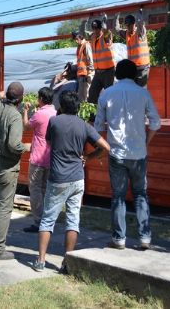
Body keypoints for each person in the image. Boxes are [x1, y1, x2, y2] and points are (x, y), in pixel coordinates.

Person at [29, 91, 110, 273]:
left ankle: (41, 261)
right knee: (73, 220)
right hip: (77, 179)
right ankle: (67, 262)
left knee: (48, 219)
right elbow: (106, 147)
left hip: (58, 178)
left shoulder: (55, 122)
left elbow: (49, 142)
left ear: (62, 106)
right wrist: (88, 157)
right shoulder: (84, 125)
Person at [94, 59, 161, 250]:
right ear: (134, 75)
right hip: (139, 153)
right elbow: (156, 123)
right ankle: (145, 238)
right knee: (140, 194)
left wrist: (103, 147)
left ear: (116, 74)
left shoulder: (106, 94)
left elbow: (98, 126)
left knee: (118, 196)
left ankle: (119, 239)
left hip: (116, 152)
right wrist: (146, 141)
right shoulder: (143, 93)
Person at [0, 81, 32, 260]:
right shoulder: (15, 116)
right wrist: (27, 146)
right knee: (3, 209)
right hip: (7, 169)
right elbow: (13, 145)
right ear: (21, 99)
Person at [21, 86, 57, 233]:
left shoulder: (39, 115)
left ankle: (38, 221)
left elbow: (26, 126)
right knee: (46, 189)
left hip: (37, 158)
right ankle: (47, 220)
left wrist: (25, 111)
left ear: (41, 99)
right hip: (51, 158)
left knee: (35, 190)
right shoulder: (55, 113)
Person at [115, 9, 150, 88]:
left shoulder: (140, 33)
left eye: (130, 25)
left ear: (134, 24)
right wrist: (116, 17)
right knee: (132, 90)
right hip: (132, 68)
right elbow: (116, 30)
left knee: (141, 91)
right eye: (127, 25)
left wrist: (139, 13)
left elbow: (141, 24)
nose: (128, 27)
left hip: (143, 68)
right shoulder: (126, 33)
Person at [86, 14, 115, 104]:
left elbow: (107, 32)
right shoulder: (93, 38)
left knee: (109, 95)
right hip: (98, 72)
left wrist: (104, 22)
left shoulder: (105, 36)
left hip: (108, 72)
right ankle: (93, 116)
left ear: (100, 28)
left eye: (97, 28)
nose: (95, 31)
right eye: (93, 29)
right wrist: (84, 21)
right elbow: (84, 34)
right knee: (92, 93)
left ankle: (111, 115)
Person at [71, 30, 92, 102]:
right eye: (75, 40)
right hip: (81, 75)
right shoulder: (79, 47)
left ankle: (89, 112)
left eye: (77, 39)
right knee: (81, 97)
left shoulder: (86, 45)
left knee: (86, 96)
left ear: (80, 37)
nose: (76, 41)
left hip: (86, 75)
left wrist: (89, 74)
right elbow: (80, 61)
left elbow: (90, 60)